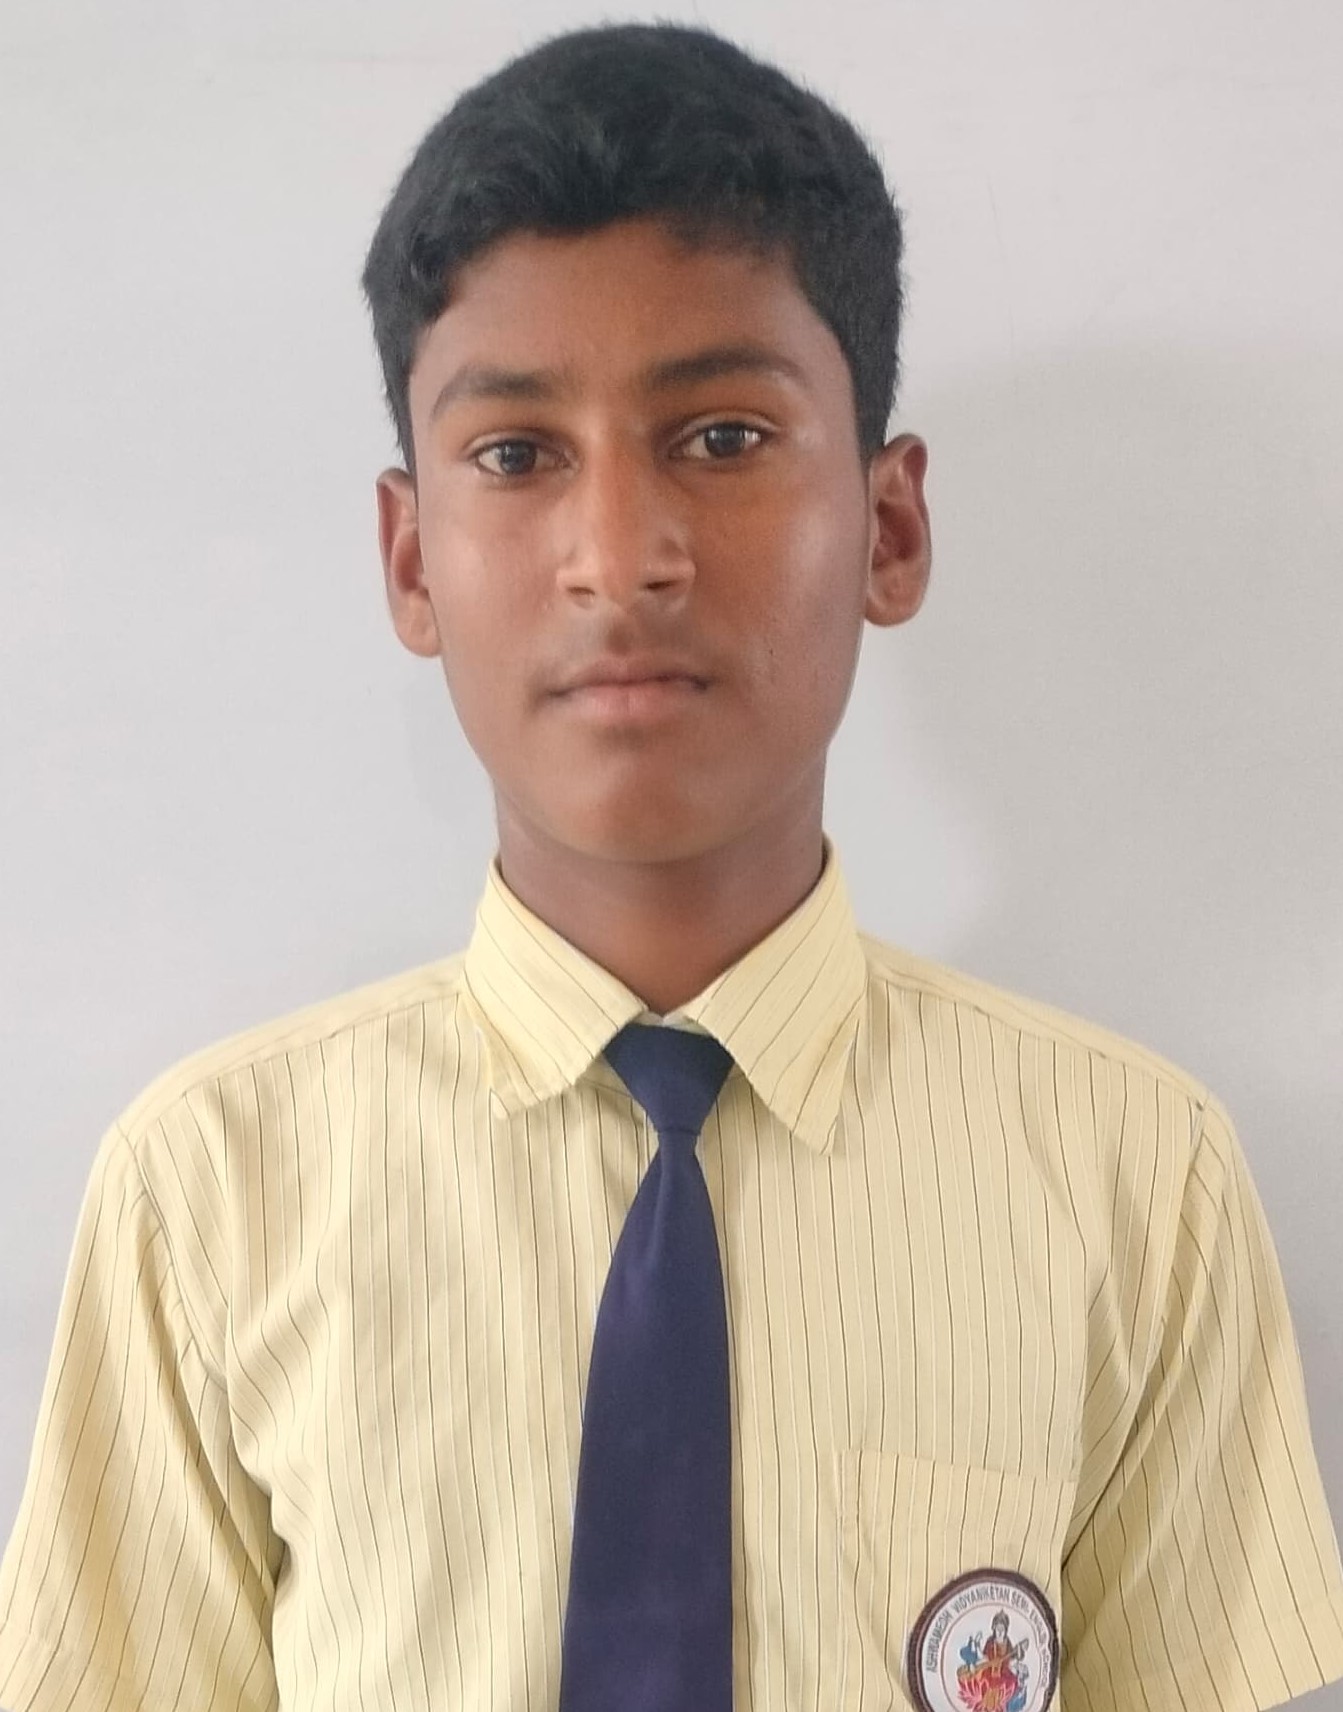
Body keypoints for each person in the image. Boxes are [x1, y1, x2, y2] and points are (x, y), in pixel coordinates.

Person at [1, 20, 1340, 1712]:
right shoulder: (209, 1198)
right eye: (516, 454)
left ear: (890, 527)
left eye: (720, 437)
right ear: (412, 563)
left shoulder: (1136, 1182)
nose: (620, 558)